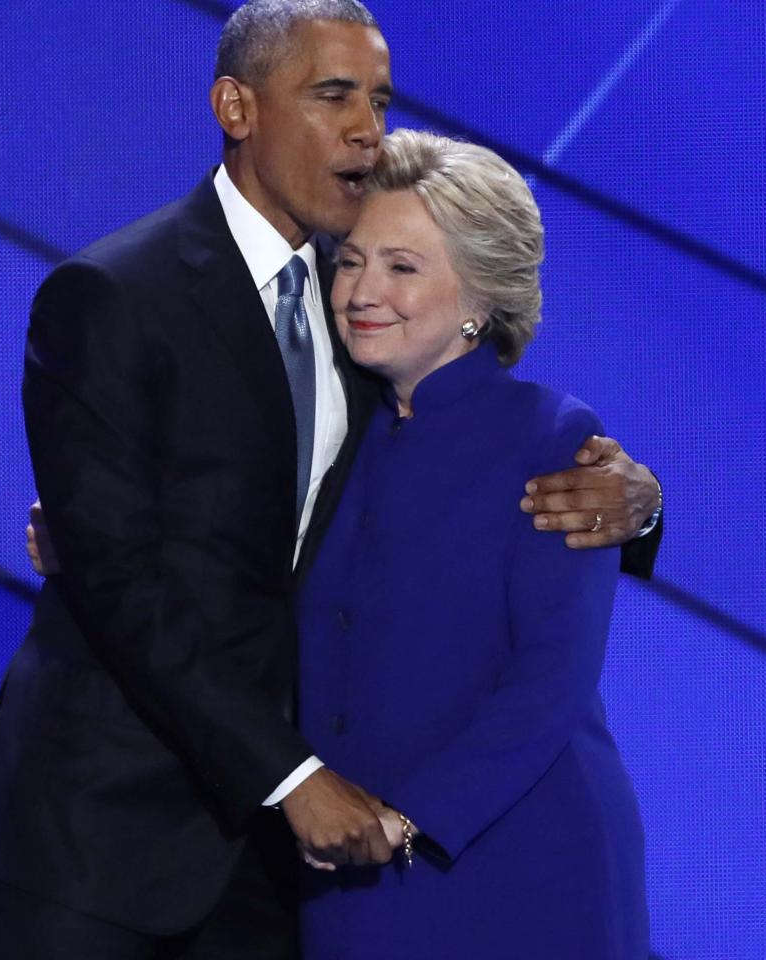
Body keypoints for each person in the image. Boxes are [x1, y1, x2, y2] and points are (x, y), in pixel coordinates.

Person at [0, 2, 661, 956]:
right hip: (113, 829)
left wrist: (641, 507)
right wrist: (291, 776)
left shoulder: (365, 309)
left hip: (299, 861)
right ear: (236, 107)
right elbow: (125, 573)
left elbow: (482, 461)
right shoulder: (115, 295)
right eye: (333, 94)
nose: (366, 127)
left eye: (378, 98)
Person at [296, 129, 648, 959]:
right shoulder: (331, 427)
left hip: (516, 870)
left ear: (479, 301)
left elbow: (552, 678)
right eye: (351, 260)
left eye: (403, 267)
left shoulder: (554, 438)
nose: (361, 291)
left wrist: (410, 817)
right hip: (347, 872)